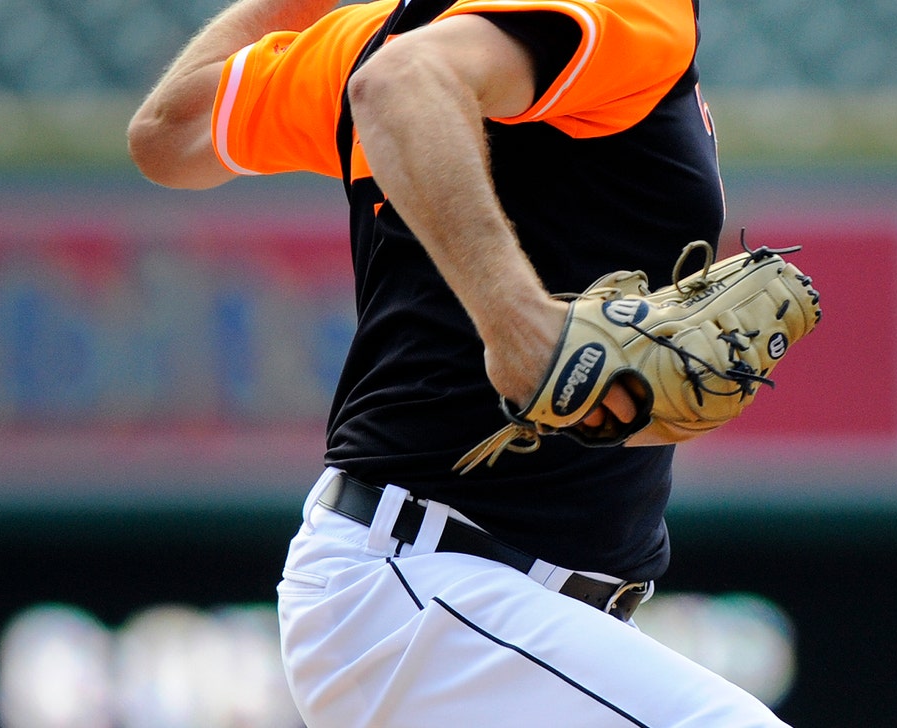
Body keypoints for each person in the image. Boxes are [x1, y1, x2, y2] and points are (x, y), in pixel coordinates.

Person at [129, 0, 790, 724]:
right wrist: (515, 318)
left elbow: (169, 132)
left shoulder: (377, 36)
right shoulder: (618, 13)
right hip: (435, 588)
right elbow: (399, 82)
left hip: (455, 605)